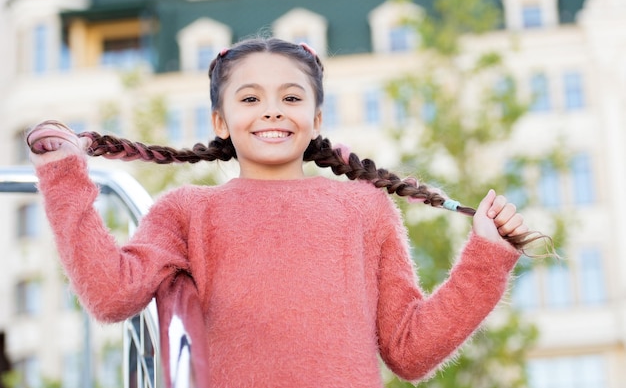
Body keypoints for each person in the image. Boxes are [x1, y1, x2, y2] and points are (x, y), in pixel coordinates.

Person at [27, 38, 543, 388]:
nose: (272, 109)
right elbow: (112, 294)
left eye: (290, 97)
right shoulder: (187, 210)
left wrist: (486, 256)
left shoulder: (363, 206)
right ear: (220, 121)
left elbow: (410, 350)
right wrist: (63, 175)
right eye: (250, 97)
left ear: (315, 118)